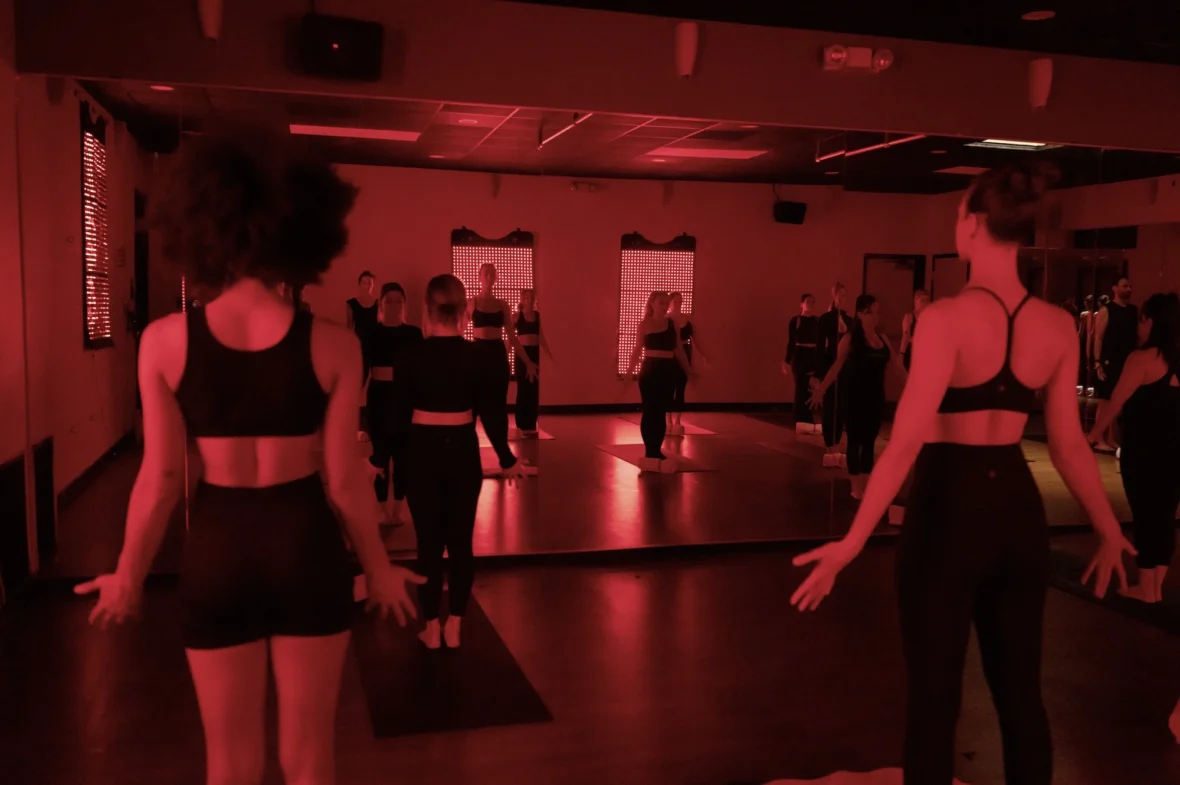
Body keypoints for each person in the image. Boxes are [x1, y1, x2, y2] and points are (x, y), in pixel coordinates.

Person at [75, 132, 424, 785]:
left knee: (230, 764)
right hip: (306, 548)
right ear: (297, 233)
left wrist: (127, 574)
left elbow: (163, 475)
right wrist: (377, 569)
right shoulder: (335, 345)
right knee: (310, 759)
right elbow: (346, 481)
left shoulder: (162, 341)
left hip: (218, 551)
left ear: (204, 230)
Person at [790, 164, 1135, 785]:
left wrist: (852, 540)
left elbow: (907, 442)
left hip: (949, 508)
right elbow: (1068, 446)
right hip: (1017, 514)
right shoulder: (1056, 325)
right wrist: (1108, 527)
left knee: (934, 702)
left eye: (957, 216)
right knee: (1021, 698)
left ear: (974, 226)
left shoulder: (946, 319)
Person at [393, 274, 526, 649]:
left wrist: (380, 462)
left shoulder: (410, 356)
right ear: (464, 310)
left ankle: (432, 626)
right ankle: (456, 624)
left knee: (428, 546)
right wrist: (506, 458)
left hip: (423, 454)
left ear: (428, 310)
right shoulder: (477, 357)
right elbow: (491, 415)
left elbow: (398, 420)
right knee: (461, 543)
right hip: (463, 455)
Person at [1087, 292, 1180, 604]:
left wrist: (1092, 435)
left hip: (1144, 452)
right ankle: (1154, 587)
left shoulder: (1142, 359)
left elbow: (1116, 403)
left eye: (1141, 319)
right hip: (1174, 451)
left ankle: (1145, 587)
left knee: (1146, 516)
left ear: (1150, 321)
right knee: (1164, 517)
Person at [810, 294, 906, 500]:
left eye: (878, 312)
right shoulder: (850, 339)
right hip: (854, 397)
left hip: (875, 398)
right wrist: (821, 389)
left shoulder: (883, 340)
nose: (877, 317)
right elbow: (836, 367)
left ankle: (867, 484)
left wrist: (919, 388)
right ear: (862, 314)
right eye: (873, 312)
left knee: (870, 442)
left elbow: (898, 367)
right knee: (855, 441)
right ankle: (856, 487)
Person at [366, 282, 423, 526]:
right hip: (379, 396)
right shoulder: (371, 333)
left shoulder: (413, 334)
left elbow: (420, 370)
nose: (394, 305)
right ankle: (379, 508)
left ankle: (398, 507)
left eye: (399, 300)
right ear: (381, 304)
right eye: (389, 300)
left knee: (402, 456)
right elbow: (361, 370)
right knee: (380, 454)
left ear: (404, 305)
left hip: (404, 398)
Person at [623, 291, 693, 471]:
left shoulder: (672, 325)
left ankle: (657, 449)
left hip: (667, 369)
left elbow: (679, 350)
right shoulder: (644, 324)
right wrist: (629, 373)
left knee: (661, 410)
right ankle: (650, 450)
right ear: (653, 303)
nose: (664, 306)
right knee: (650, 410)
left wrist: (689, 372)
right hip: (650, 370)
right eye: (661, 303)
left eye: (666, 303)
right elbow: (637, 351)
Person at [468, 263, 538, 441]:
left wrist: (528, 361)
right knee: (474, 403)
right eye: (485, 274)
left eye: (492, 274)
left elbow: (512, 338)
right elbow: (459, 330)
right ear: (479, 277)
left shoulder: (502, 305)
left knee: (499, 403)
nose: (489, 278)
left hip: (498, 354)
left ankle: (504, 452)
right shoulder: (472, 302)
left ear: (496, 278)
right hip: (478, 353)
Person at [1093, 276, 1137, 451]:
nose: (1129, 289)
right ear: (1115, 288)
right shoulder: (1107, 310)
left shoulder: (1133, 310)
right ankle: (1097, 438)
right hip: (1109, 360)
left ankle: (1111, 438)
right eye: (1125, 286)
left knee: (1117, 401)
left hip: (1126, 361)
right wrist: (1097, 362)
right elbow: (1098, 337)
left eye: (1130, 286)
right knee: (1105, 400)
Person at [816, 283, 852, 464]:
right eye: (841, 295)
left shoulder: (849, 320)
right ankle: (829, 441)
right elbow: (821, 346)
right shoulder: (826, 319)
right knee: (830, 405)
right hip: (829, 363)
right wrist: (818, 372)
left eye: (846, 295)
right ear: (835, 295)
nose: (844, 299)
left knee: (842, 404)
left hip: (844, 366)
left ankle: (837, 440)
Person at [514, 288, 554, 436]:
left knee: (533, 388)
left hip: (534, 354)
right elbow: (512, 338)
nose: (528, 301)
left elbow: (541, 337)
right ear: (522, 300)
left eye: (531, 298)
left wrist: (550, 355)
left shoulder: (537, 316)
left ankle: (531, 422)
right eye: (526, 298)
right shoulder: (517, 317)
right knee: (523, 387)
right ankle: (521, 422)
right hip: (522, 355)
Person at [668, 292, 708, 434]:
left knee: (681, 386)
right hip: (670, 354)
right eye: (675, 301)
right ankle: (668, 421)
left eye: (680, 301)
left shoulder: (687, 319)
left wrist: (704, 356)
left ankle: (678, 421)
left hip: (685, 352)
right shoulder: (666, 319)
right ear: (670, 302)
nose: (678, 304)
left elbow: (696, 340)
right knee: (669, 387)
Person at [784, 293, 820, 434]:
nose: (810, 304)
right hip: (800, 355)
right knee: (800, 386)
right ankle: (800, 418)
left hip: (813, 355)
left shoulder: (817, 321)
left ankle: (808, 418)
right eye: (808, 301)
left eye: (813, 302)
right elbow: (791, 341)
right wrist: (787, 360)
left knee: (810, 387)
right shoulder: (796, 320)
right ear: (802, 304)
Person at [899, 289, 931, 371]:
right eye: (922, 300)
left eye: (927, 300)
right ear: (915, 302)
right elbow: (905, 337)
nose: (925, 303)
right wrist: (901, 354)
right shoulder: (909, 317)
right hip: (912, 354)